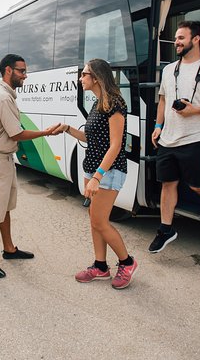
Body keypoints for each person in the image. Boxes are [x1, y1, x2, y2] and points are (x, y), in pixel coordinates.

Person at [53, 58, 137, 289]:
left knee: (100, 221)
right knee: (95, 221)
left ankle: (127, 262)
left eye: (84, 74)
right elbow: (92, 138)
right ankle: (100, 266)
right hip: (93, 168)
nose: (81, 78)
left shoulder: (115, 103)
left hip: (108, 171)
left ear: (97, 78)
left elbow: (116, 145)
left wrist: (98, 176)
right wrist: (67, 129)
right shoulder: (97, 102)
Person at [149, 20, 200, 253]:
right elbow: (163, 99)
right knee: (168, 184)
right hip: (168, 137)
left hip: (197, 135)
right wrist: (158, 126)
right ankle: (165, 230)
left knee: (197, 184)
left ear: (196, 39)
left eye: (181, 38)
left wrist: (196, 110)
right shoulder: (168, 70)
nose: (176, 42)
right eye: (176, 38)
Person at [0, 53, 59, 278]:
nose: (26, 75)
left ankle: (9, 249)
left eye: (25, 70)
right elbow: (17, 133)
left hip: (3, 161)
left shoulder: (6, 95)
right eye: (22, 71)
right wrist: (46, 132)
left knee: (4, 207)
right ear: (8, 71)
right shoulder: (2, 98)